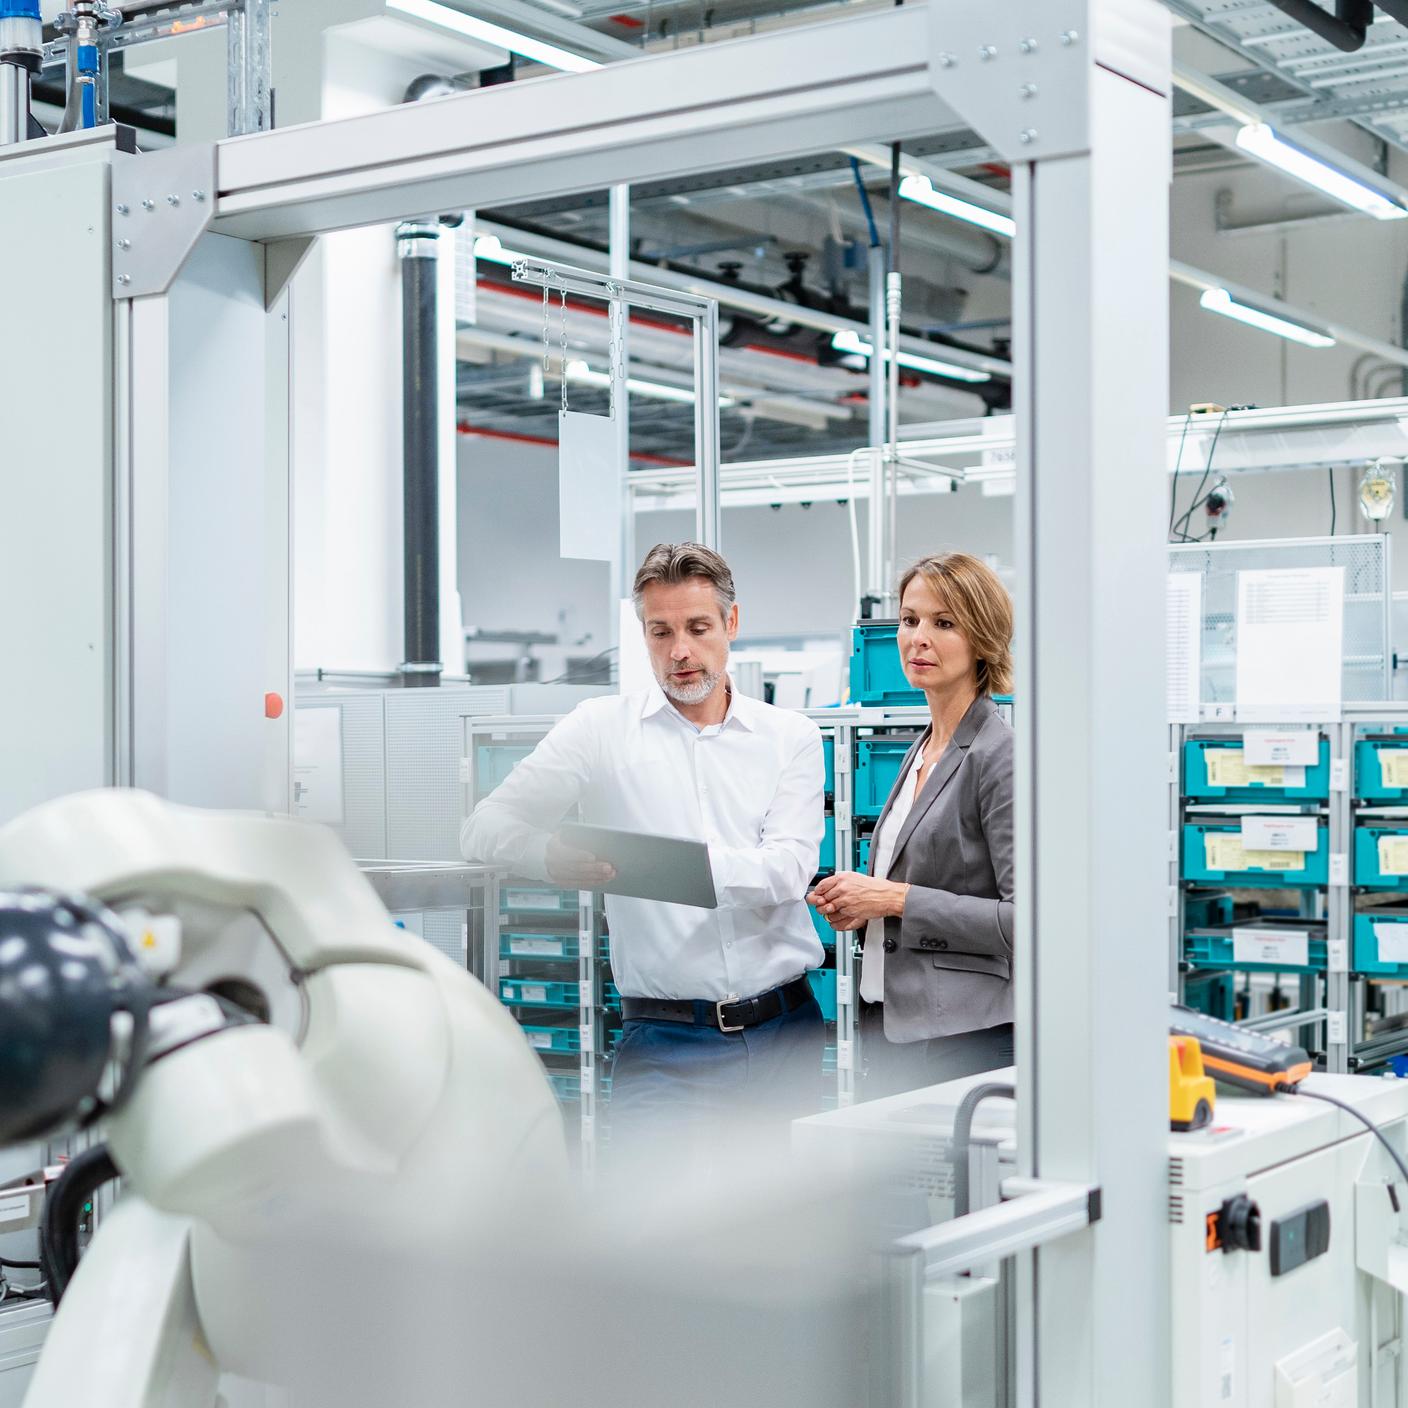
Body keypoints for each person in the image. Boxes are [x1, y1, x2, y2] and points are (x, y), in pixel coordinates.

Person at [461, 542, 826, 1138]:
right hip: (663, 1045)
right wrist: (545, 856)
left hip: (785, 1034)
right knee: (652, 1224)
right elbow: (483, 825)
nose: (679, 651)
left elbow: (786, 871)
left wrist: (665, 868)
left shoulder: (790, 737)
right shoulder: (598, 730)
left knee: (787, 1224)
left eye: (697, 627)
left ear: (732, 624)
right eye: (660, 632)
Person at [808, 552, 1014, 1097]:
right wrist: (855, 904)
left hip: (965, 1036)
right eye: (909, 619)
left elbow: (1034, 921)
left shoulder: (1001, 755)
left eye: (943, 623)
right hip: (895, 1028)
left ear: (983, 639)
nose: (918, 637)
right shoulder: (923, 748)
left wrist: (894, 900)